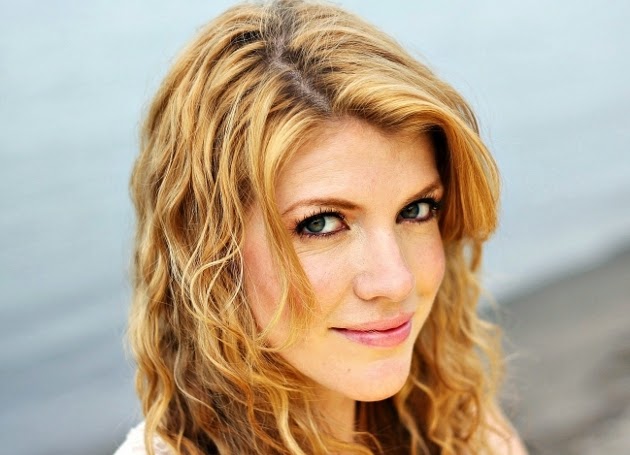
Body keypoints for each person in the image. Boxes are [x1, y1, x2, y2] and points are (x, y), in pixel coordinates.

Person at [116, 0, 528, 453]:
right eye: (322, 222)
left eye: (415, 211)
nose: (396, 281)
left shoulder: (468, 431)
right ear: (209, 247)